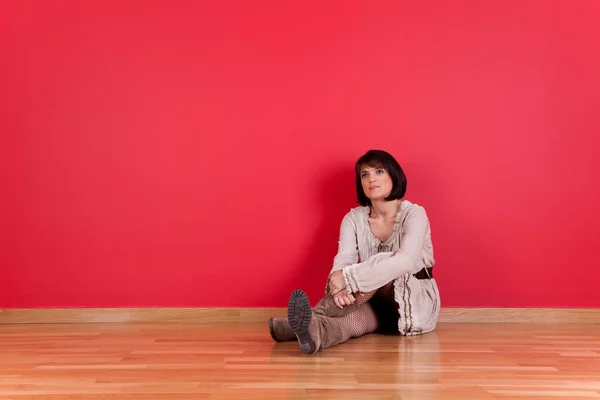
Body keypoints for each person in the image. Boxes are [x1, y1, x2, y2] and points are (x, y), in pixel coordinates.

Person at [268, 149, 440, 354]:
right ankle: (313, 332)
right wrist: (339, 285)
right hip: (371, 302)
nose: (371, 179)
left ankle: (297, 323)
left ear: (394, 175)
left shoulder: (415, 214)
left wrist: (348, 278)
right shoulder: (354, 218)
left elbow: (405, 261)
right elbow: (345, 258)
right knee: (348, 324)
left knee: (381, 264)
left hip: (412, 302)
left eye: (379, 172)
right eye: (364, 175)